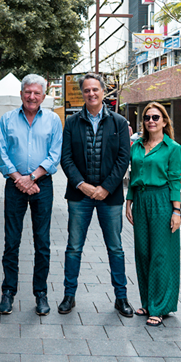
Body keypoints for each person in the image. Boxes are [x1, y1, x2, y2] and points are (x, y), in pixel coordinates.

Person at [59, 73, 133, 317]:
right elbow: (66, 158)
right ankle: (69, 296)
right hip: (79, 196)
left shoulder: (119, 122)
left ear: (103, 91)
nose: (91, 93)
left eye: (95, 89)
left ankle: (121, 297)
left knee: (116, 248)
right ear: (83, 93)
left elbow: (124, 158)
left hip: (109, 197)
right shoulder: (71, 122)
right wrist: (82, 185)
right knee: (73, 248)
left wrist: (105, 188)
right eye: (87, 90)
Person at [0, 74, 62, 316]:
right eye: (27, 92)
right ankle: (8, 292)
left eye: (36, 93)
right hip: (14, 185)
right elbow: (1, 153)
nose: (31, 97)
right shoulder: (7, 119)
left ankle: (41, 293)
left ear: (43, 96)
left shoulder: (54, 120)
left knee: (42, 242)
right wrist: (20, 180)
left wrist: (32, 178)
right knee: (11, 241)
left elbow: (55, 155)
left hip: (42, 186)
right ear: (21, 94)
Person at [125, 102, 181, 327]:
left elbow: (175, 181)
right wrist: (128, 202)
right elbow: (133, 175)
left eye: (156, 117)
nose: (151, 121)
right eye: (148, 117)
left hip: (162, 201)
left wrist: (176, 211)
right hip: (140, 200)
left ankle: (159, 307)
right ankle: (148, 302)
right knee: (143, 252)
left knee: (160, 254)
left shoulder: (172, 148)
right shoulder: (137, 147)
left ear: (165, 121)